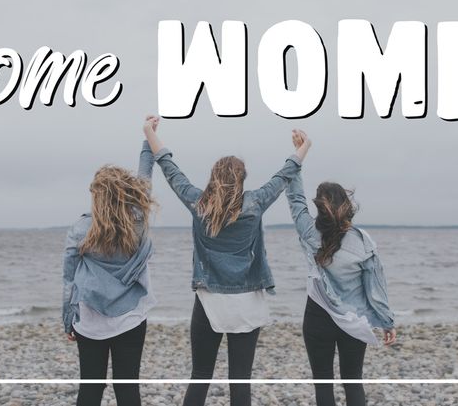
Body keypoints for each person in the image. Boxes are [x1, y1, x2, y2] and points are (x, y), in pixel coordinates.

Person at [143, 121, 311, 406]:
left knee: (200, 375)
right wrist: (303, 147)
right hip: (247, 302)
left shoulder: (199, 203)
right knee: (240, 379)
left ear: (213, 177)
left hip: (209, 300)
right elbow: (284, 176)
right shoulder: (255, 203)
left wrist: (150, 133)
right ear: (242, 180)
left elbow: (170, 170)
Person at [285, 129, 396, 406]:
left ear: (319, 208)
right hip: (354, 321)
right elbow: (375, 287)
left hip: (317, 318)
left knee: (323, 384)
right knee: (353, 381)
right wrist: (386, 320)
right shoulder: (363, 241)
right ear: (346, 206)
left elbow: (294, 196)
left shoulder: (309, 232)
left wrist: (300, 153)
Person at [62, 116, 161, 406]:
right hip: (131, 317)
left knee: (90, 388)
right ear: (125, 194)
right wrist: (148, 138)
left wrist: (67, 316)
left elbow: (68, 277)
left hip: (90, 319)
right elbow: (146, 174)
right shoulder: (138, 220)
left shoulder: (81, 229)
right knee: (127, 388)